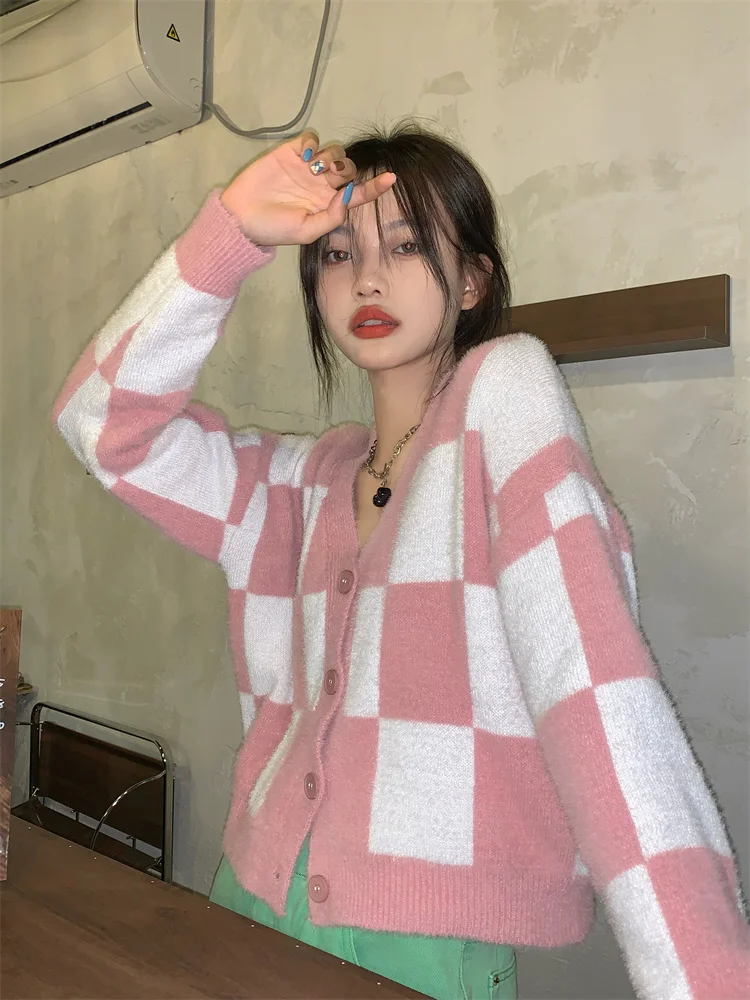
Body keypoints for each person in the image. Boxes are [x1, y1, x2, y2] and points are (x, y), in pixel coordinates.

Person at [53, 119, 750, 1000]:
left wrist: (703, 979)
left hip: (421, 949)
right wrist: (232, 231)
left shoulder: (503, 401)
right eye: (338, 253)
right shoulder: (292, 488)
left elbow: (595, 686)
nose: (368, 277)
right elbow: (102, 426)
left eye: (409, 245)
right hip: (250, 903)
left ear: (473, 279)